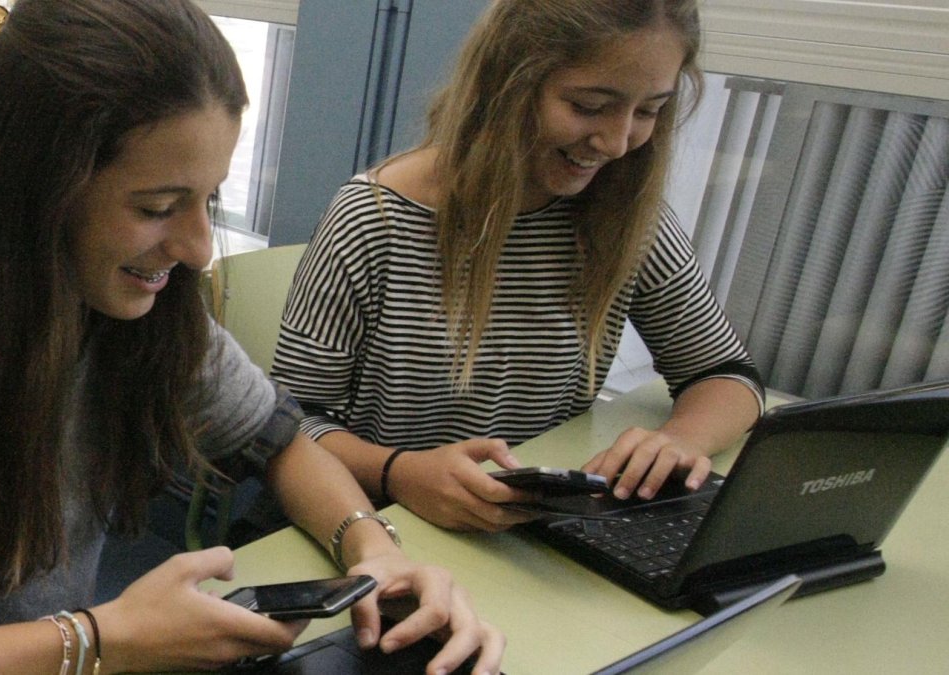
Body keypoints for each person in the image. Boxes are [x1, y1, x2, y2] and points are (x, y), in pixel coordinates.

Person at [0, 1, 504, 673]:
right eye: (157, 206)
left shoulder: (134, 305)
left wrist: (373, 551)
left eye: (207, 199)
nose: (199, 247)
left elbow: (281, 440)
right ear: (37, 188)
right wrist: (97, 638)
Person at [270, 0, 765, 533]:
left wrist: (680, 440)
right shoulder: (373, 219)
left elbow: (726, 375)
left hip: (531, 529)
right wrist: (399, 473)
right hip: (382, 521)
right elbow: (289, 428)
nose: (618, 143)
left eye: (648, 111)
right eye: (589, 106)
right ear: (506, 84)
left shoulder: (627, 218)